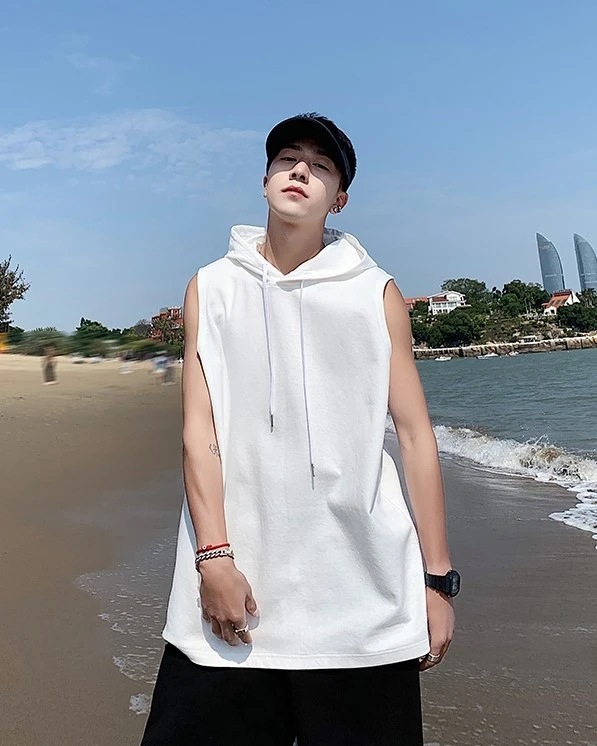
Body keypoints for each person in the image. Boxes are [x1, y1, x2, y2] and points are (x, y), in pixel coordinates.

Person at [141, 113, 459, 746]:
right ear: (265, 180)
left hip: (362, 598)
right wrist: (214, 559)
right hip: (234, 597)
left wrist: (437, 582)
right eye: (287, 158)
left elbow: (415, 435)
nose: (301, 170)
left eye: (321, 165)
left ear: (339, 198)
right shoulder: (212, 287)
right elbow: (200, 435)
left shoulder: (375, 293)